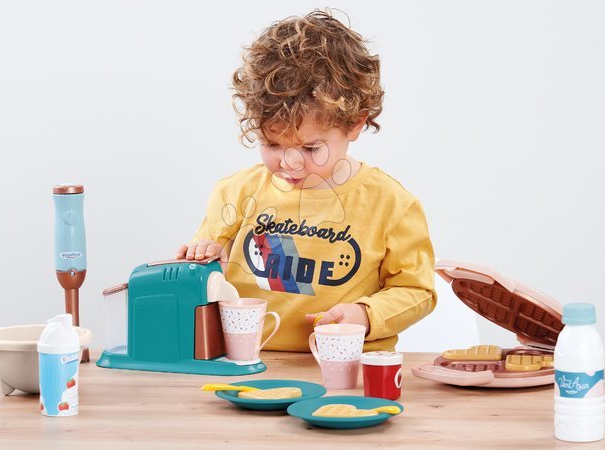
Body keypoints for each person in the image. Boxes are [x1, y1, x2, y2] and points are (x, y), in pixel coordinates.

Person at [176, 9, 436, 352]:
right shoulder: (235, 193)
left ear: (355, 125)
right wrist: (204, 263)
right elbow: (202, 278)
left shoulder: (391, 204)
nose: (290, 162)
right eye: (272, 144)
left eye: (311, 148)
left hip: (343, 364)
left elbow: (417, 290)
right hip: (245, 365)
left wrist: (365, 314)